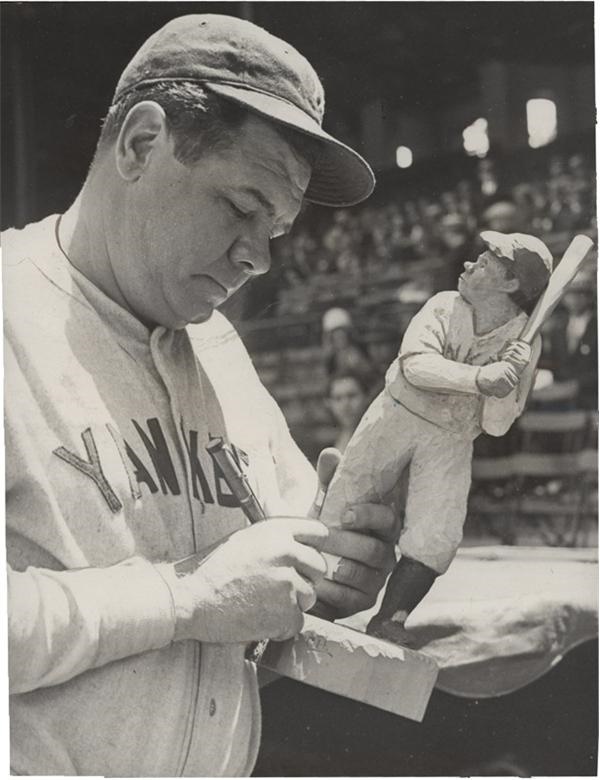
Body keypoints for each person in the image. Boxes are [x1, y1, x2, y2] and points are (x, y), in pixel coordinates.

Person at [4, 15, 397, 776]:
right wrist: (187, 598)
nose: (258, 257)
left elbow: (267, 589)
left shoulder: (220, 352)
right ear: (142, 144)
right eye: (243, 208)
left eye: (277, 230)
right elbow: (212, 595)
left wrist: (333, 570)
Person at [319, 231, 553, 644]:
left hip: (453, 437)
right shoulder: (444, 306)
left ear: (511, 283)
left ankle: (391, 618)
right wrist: (482, 377)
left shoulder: (525, 342)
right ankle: (319, 600)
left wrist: (510, 376)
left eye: (484, 263)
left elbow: (497, 424)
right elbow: (416, 367)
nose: (469, 264)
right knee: (348, 498)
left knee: (437, 534)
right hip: (398, 414)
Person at [327, 371, 370, 453]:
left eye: (351, 396)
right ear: (329, 403)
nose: (345, 405)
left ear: (366, 397)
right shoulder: (329, 447)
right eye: (338, 398)